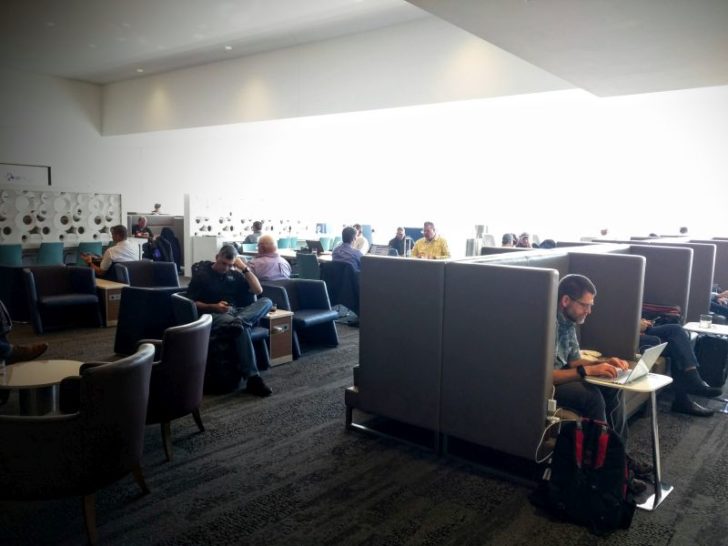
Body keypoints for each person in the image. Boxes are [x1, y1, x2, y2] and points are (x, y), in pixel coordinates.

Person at [553, 274, 651, 486]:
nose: (589, 311)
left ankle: (619, 458)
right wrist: (587, 371)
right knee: (592, 397)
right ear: (565, 301)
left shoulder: (568, 322)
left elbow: (573, 361)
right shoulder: (547, 323)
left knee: (613, 388)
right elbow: (547, 375)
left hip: (564, 375)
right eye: (585, 305)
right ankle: (606, 469)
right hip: (547, 384)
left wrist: (607, 363)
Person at [186, 244, 273, 397]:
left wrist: (244, 268)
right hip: (213, 313)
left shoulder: (235, 275)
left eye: (230, 265)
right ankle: (253, 378)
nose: (226, 268)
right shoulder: (202, 275)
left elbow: (258, 290)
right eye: (223, 263)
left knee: (266, 301)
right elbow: (190, 302)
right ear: (217, 257)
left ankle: (239, 321)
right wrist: (212, 306)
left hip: (236, 312)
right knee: (241, 328)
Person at [639, 320, 721, 416]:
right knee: (676, 345)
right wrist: (635, 324)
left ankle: (691, 385)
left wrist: (641, 321)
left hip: (641, 329)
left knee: (676, 329)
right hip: (631, 333)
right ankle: (687, 394)